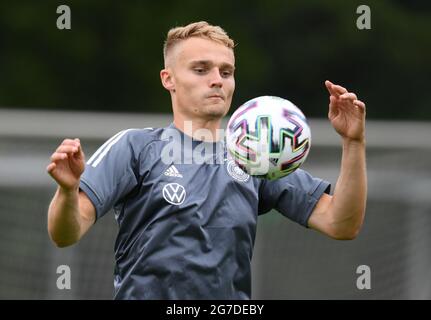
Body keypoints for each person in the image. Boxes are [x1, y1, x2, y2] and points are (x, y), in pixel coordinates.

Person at [46, 21, 367, 299]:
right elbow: (66, 233)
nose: (217, 80)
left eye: (226, 72)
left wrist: (353, 143)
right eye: (201, 70)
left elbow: (340, 222)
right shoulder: (136, 147)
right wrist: (67, 191)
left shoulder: (253, 154)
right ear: (168, 78)